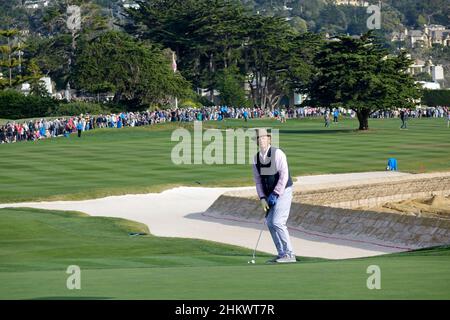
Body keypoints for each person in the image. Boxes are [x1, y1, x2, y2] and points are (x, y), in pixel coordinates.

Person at [252, 128, 296, 263]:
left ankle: (290, 255)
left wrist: (276, 194)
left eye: (264, 138)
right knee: (270, 223)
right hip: (269, 194)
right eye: (259, 138)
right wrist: (262, 198)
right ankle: (282, 253)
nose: (261, 140)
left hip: (284, 191)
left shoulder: (278, 153)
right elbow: (258, 181)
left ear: (269, 139)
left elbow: (284, 175)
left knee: (278, 222)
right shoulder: (256, 159)